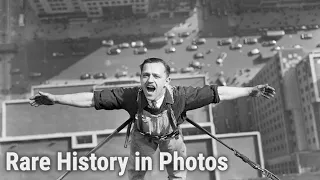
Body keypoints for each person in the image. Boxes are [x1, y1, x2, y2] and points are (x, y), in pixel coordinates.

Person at [29, 57, 275, 180]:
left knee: (177, 172)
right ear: (140, 79)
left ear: (166, 80)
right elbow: (91, 99)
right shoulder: (129, 96)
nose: (150, 80)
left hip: (171, 138)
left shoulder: (182, 97)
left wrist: (251, 91)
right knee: (137, 174)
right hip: (142, 139)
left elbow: (218, 93)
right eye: (145, 75)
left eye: (156, 76)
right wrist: (56, 99)